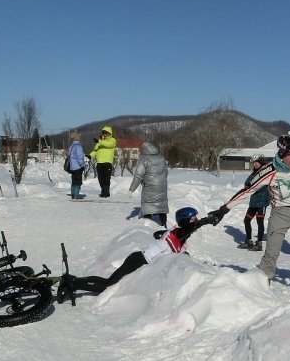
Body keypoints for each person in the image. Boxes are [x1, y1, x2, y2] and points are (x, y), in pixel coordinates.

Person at [208, 135, 290, 301]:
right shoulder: (269, 172)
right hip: (280, 214)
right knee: (271, 253)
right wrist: (223, 209)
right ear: (283, 152)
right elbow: (247, 191)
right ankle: (261, 287)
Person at [58, 207, 216, 295]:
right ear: (186, 221)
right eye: (193, 218)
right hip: (139, 260)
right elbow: (190, 229)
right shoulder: (180, 232)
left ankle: (75, 281)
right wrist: (206, 221)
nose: (195, 221)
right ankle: (73, 283)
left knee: (108, 282)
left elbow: (159, 235)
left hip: (139, 257)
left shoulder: (176, 232)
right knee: (106, 286)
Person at [129, 142, 169, 227]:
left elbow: (138, 176)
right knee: (161, 204)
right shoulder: (161, 158)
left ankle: (147, 226)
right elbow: (166, 172)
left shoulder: (144, 159)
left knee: (148, 204)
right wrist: (160, 180)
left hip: (149, 186)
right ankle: (164, 224)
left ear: (144, 149)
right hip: (162, 185)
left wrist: (132, 189)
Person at [238, 154, 270, 251]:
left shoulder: (264, 173)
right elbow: (247, 183)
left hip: (262, 202)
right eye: (254, 163)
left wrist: (252, 186)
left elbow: (260, 186)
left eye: (257, 162)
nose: (255, 164)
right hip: (253, 202)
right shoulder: (253, 174)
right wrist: (250, 186)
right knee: (246, 220)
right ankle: (249, 241)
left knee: (260, 222)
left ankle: (259, 244)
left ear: (261, 163)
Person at [88, 126, 116, 197]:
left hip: (107, 162)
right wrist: (90, 156)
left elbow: (108, 145)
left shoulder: (112, 140)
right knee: (100, 179)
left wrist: (99, 141)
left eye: (106, 133)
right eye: (103, 132)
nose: (104, 134)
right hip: (99, 162)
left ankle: (106, 193)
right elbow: (95, 150)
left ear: (110, 133)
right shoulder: (99, 142)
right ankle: (104, 191)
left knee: (106, 179)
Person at [68, 132, 86, 199]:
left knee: (74, 181)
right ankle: (76, 195)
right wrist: (82, 165)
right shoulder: (78, 146)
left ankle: (73, 194)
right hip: (78, 167)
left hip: (72, 167)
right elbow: (80, 157)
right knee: (78, 182)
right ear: (78, 138)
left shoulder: (71, 146)